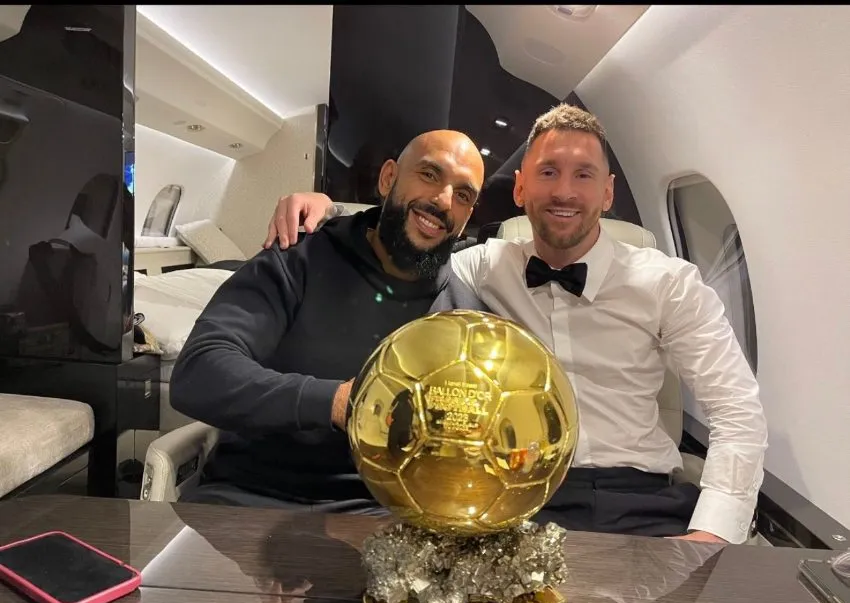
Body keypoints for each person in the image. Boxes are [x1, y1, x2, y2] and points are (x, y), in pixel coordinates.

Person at [264, 104, 769, 545]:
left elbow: (737, 412)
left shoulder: (670, 283)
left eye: (584, 175)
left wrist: (711, 534)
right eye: (548, 173)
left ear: (609, 193)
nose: (564, 192)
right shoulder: (485, 265)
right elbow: (401, 244)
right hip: (511, 497)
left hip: (640, 502)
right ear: (521, 186)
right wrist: (329, 217)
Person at [169, 129, 488, 511]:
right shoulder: (296, 260)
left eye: (463, 195)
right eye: (429, 175)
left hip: (388, 519)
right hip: (251, 498)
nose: (442, 200)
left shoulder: (466, 315)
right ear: (388, 179)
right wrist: (336, 402)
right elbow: (198, 373)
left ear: (467, 217)